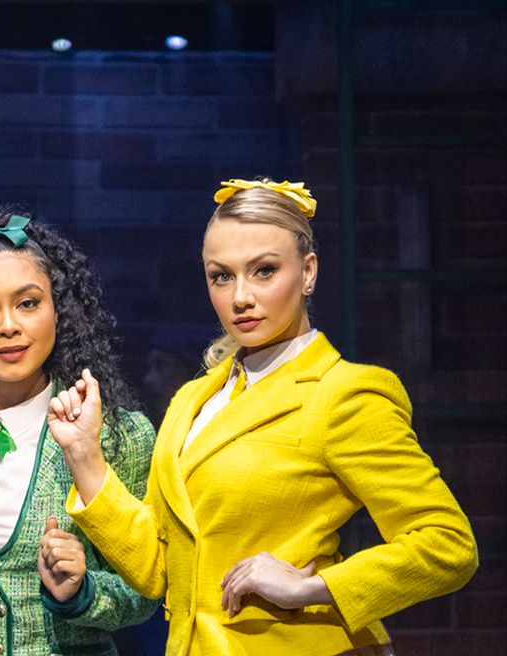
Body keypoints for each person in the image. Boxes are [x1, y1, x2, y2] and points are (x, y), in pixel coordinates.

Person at [48, 179, 479, 655]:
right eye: (222, 276)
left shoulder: (344, 395)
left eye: (264, 271)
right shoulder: (193, 399)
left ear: (308, 271)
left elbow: (447, 545)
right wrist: (84, 455)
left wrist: (314, 587)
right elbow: (158, 570)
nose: (241, 297)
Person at [0, 209, 160, 655]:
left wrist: (81, 590)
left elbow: (147, 590)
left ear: (57, 310)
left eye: (28, 303)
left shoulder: (118, 435)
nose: (9, 325)